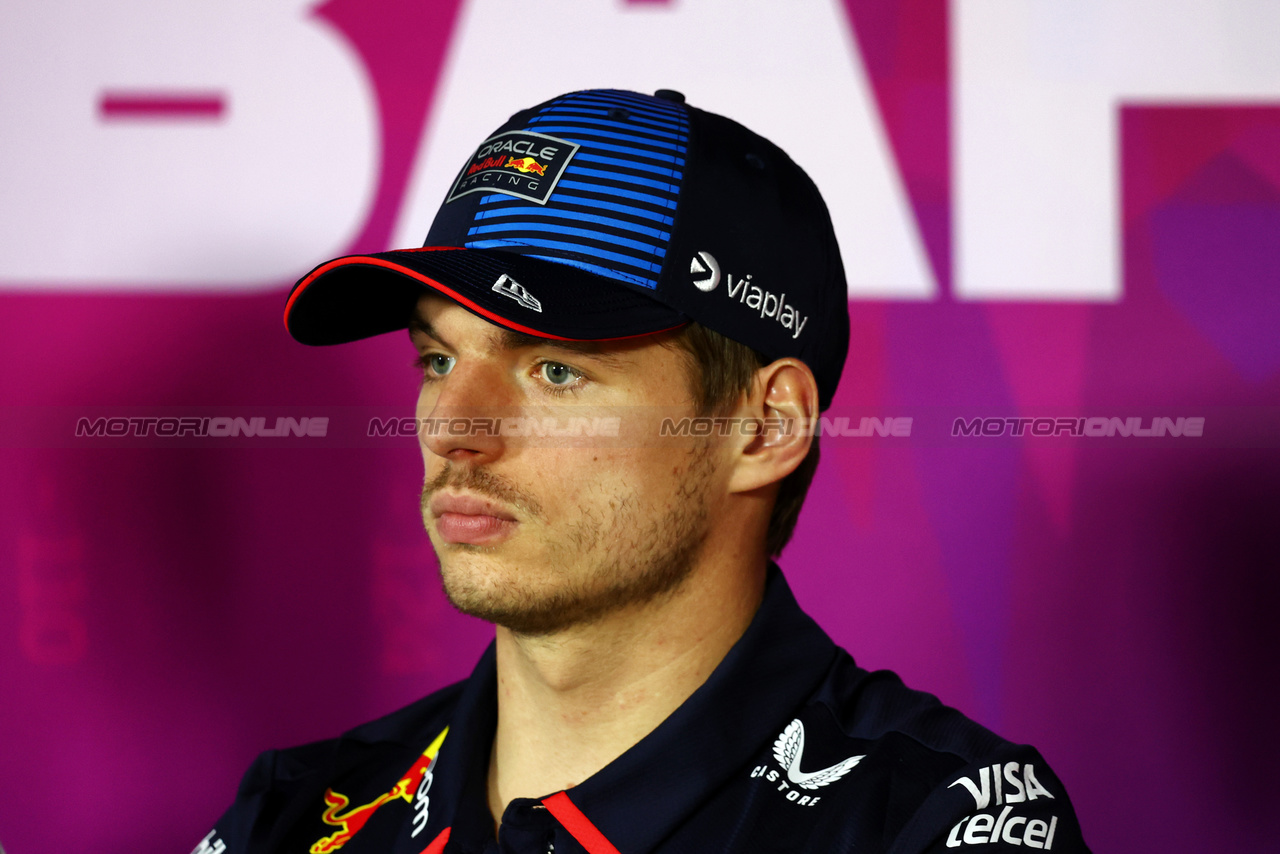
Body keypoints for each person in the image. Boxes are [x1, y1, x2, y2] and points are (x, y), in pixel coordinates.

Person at [198, 88, 1089, 854]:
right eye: (437, 359)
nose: (456, 428)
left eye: (555, 369)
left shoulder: (936, 823)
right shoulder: (297, 817)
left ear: (764, 426)